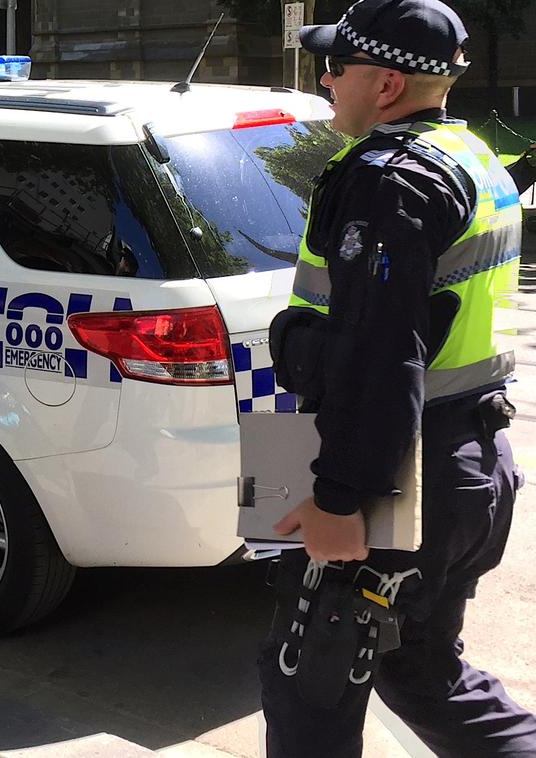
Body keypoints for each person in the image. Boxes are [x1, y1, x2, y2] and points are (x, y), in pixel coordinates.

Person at [260, 0, 536, 755]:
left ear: (383, 85)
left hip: (405, 477)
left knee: (309, 683)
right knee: (421, 675)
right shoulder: (471, 157)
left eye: (336, 66)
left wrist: (341, 498)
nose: (324, 78)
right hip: (470, 463)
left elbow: (379, 354)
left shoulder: (390, 180)